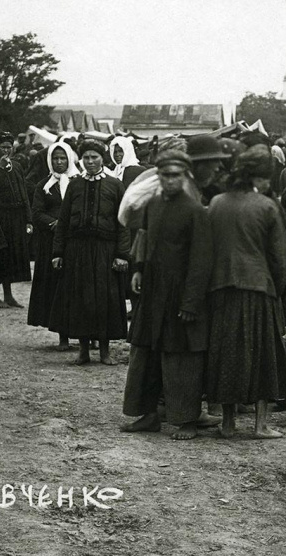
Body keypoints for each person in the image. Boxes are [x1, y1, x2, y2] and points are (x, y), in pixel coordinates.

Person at [121, 150, 213, 440]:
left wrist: (190, 302)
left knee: (181, 358)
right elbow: (143, 239)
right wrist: (137, 269)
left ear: (185, 176)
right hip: (152, 291)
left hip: (180, 294)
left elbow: (202, 260)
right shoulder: (154, 205)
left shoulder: (195, 210)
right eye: (164, 175)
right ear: (158, 176)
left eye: (175, 175)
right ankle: (148, 415)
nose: (169, 180)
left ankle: (186, 421)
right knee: (145, 353)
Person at [206, 149, 286, 439]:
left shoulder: (216, 203)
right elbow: (279, 259)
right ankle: (260, 425)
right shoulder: (267, 206)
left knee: (226, 354)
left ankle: (228, 424)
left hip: (221, 289)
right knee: (262, 355)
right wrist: (277, 291)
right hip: (257, 288)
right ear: (259, 178)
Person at [49, 140, 130, 365]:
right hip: (78, 251)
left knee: (105, 299)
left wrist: (122, 254)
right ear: (81, 160)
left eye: (94, 157)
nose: (90, 162)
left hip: (105, 251)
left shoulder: (115, 185)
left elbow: (124, 223)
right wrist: (58, 252)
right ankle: (83, 351)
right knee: (81, 300)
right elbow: (63, 222)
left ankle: (104, 351)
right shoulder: (74, 186)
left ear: (103, 159)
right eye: (86, 158)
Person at [28, 141, 80, 349]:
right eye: (55, 158)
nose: (59, 162)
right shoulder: (44, 185)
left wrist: (70, 223)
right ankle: (63, 337)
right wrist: (53, 223)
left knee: (78, 287)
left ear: (69, 159)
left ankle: (89, 336)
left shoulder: (80, 182)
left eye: (62, 158)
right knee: (56, 288)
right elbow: (37, 212)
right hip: (51, 243)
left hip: (75, 242)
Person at [0, 132, 33, 308]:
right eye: (3, 147)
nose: (6, 151)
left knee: (10, 256)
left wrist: (28, 218)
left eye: (9, 147)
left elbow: (23, 192)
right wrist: (0, 169)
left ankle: (8, 296)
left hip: (15, 216)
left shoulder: (16, 166)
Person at [186, 135, 230, 205]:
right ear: (199, 165)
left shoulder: (193, 186)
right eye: (214, 161)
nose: (217, 169)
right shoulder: (185, 191)